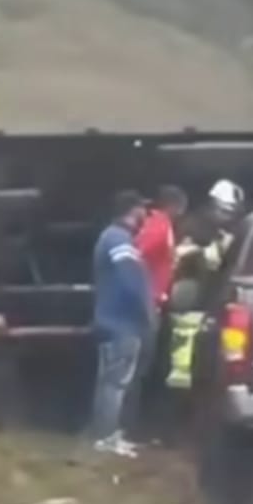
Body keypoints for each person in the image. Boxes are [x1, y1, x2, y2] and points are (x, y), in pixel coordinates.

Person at [89, 190, 155, 457]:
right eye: (142, 209)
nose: (145, 215)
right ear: (132, 209)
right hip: (121, 323)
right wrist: (146, 311)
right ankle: (106, 437)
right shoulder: (119, 239)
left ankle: (109, 435)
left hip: (113, 321)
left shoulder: (114, 237)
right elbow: (131, 280)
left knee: (111, 382)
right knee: (115, 383)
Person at [166, 179, 246, 393]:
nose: (228, 217)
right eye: (225, 211)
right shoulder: (192, 225)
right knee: (185, 341)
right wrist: (200, 253)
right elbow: (175, 255)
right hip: (192, 293)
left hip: (219, 294)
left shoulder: (235, 229)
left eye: (232, 212)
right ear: (212, 205)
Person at [128, 185, 189, 441]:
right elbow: (136, 255)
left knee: (143, 367)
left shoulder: (161, 225)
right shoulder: (159, 226)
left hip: (152, 303)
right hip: (148, 305)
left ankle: (132, 426)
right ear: (174, 206)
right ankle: (128, 427)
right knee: (138, 369)